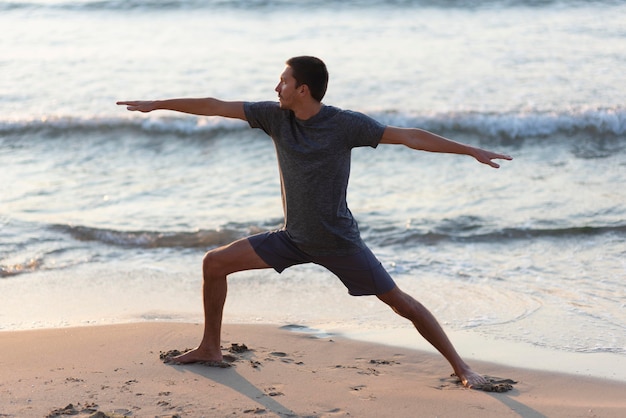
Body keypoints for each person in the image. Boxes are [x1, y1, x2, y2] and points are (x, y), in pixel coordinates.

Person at [117, 56, 512, 389]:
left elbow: (409, 136)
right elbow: (215, 104)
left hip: (340, 243)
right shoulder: (274, 117)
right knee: (214, 263)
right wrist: (159, 103)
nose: (277, 87)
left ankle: (464, 369)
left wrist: (469, 150)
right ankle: (210, 348)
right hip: (294, 238)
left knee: (401, 303)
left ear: (302, 89)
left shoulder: (345, 124)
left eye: (284, 81)